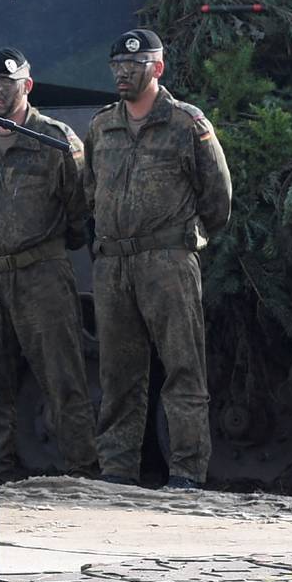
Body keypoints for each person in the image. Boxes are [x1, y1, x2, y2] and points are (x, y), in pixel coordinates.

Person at [84, 28, 231, 489]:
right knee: (118, 373)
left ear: (158, 68)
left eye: (134, 65)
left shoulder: (186, 123)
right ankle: (117, 469)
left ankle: (187, 471)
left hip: (167, 260)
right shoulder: (102, 126)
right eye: (118, 66)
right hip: (113, 263)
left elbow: (218, 196)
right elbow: (90, 190)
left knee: (183, 367)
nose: (123, 74)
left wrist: (182, 238)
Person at [0, 47, 96, 477]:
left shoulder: (56, 140)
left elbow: (81, 210)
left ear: (26, 86)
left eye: (5, 85)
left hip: (40, 274)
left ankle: (81, 468)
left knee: (62, 374)